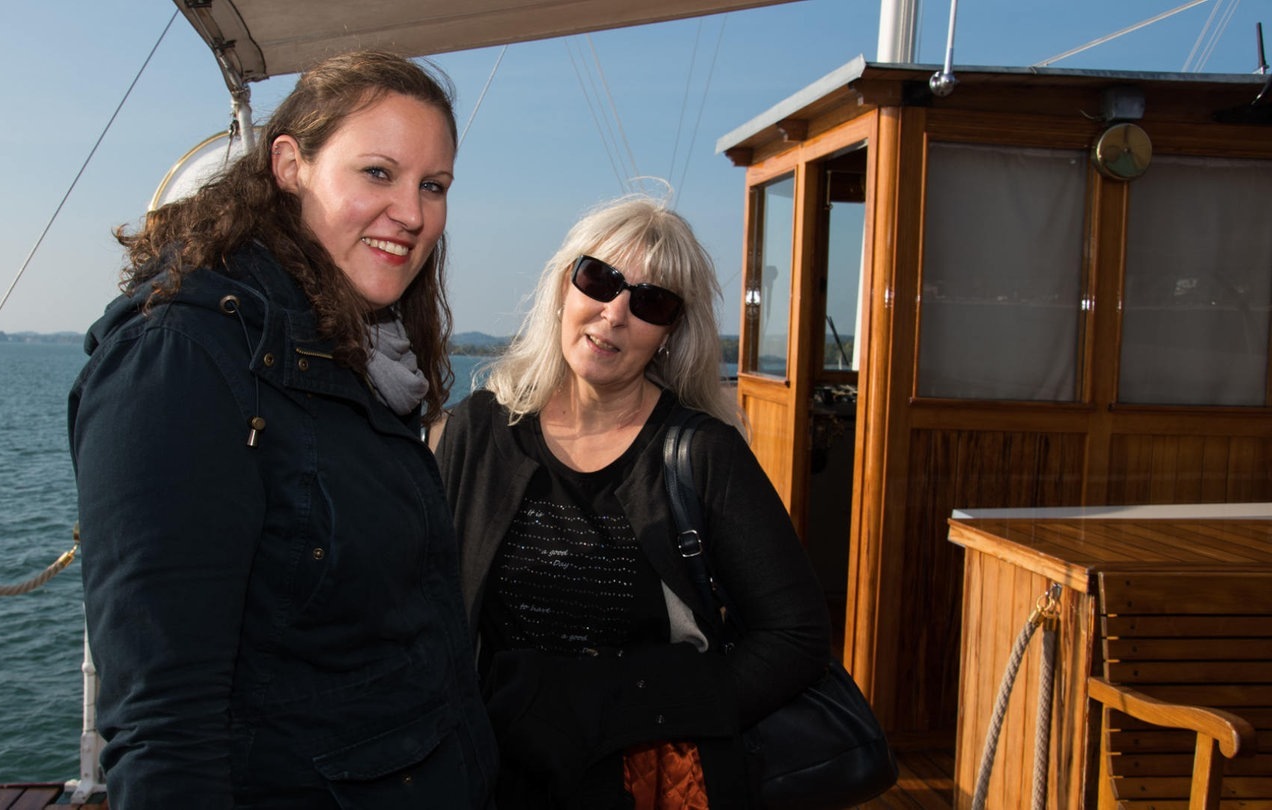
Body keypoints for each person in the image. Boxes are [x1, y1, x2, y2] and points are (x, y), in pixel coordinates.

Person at [69, 50, 496, 809]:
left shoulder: (354, 353)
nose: (413, 212)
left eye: (433, 186)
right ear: (290, 165)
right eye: (377, 173)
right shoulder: (181, 361)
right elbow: (163, 724)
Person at [435, 193, 832, 808]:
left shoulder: (702, 454)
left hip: (642, 780)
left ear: (670, 334)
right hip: (492, 771)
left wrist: (628, 706)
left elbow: (796, 636)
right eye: (599, 279)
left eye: (650, 302)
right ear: (564, 286)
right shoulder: (479, 430)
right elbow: (425, 599)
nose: (614, 313)